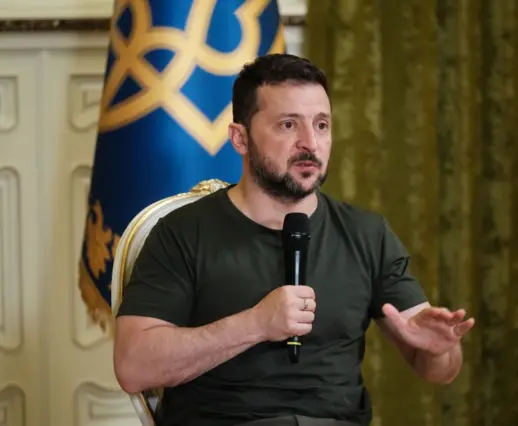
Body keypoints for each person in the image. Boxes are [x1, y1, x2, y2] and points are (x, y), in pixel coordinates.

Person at [113, 53, 475, 426]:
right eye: (288, 125)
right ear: (240, 138)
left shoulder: (367, 234)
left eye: (322, 125)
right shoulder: (183, 232)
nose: (310, 143)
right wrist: (255, 324)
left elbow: (439, 370)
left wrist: (439, 351)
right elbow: (133, 367)